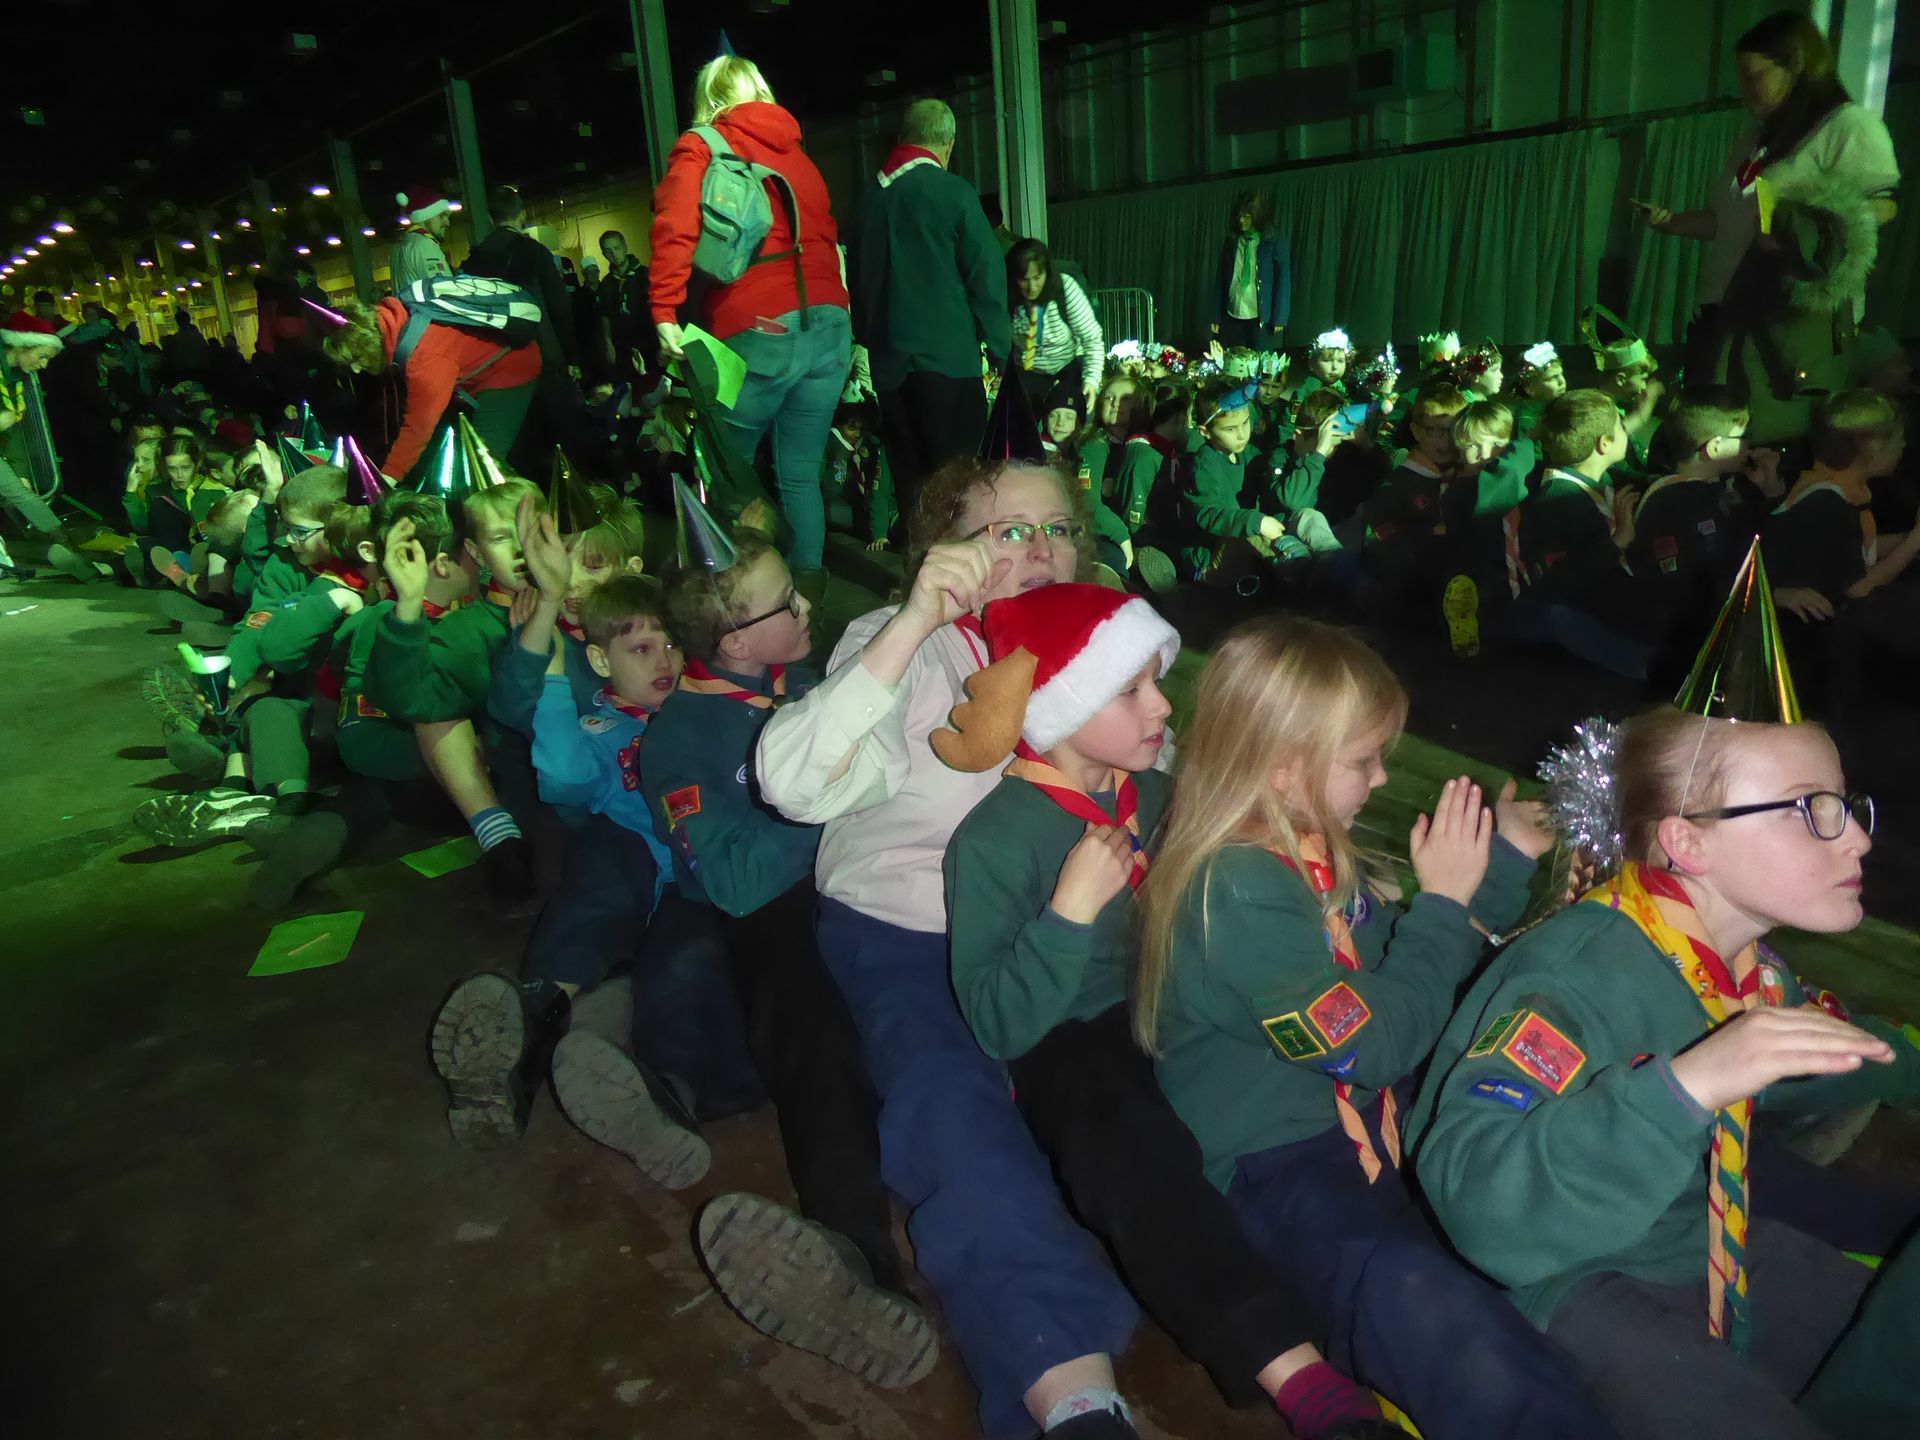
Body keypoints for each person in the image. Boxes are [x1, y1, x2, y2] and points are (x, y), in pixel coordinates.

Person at [938, 583, 1405, 1440]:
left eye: (1158, 682)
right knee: (1125, 1141)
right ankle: (1296, 1374)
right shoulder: (996, 840)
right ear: (1061, 704)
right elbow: (997, 1022)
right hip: (1076, 1037)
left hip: (1184, 1011)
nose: (1163, 704)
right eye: (1131, 690)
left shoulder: (1155, 797)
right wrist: (1066, 918)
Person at [1132, 616, 1617, 1440]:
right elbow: (1374, 1044)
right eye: (1364, 761)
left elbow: (1387, 962)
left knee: (1510, 1203)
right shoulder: (1234, 893)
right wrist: (1446, 901)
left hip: (1361, 1124)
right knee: (1410, 1293)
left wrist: (1495, 862)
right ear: (1285, 769)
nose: (1385, 777)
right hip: (1273, 1161)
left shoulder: (1304, 842)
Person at [758, 458, 1155, 1440]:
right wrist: (909, 626)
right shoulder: (903, 646)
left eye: (1054, 528)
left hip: (1073, 931)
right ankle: (1075, 1399)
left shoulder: (1105, 644)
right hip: (911, 932)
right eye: (1002, 531)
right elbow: (792, 784)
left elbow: (1171, 778)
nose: (1036, 549)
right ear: (945, 548)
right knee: (954, 1115)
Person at [1411, 706, 1920, 1440]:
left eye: (1846, 806)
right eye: (1815, 810)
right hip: (1570, 1274)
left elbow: (1808, 1050)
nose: (1861, 838)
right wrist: (1684, 1087)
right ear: (1688, 842)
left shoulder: (1738, 966)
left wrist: (1899, 1063)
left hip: (1694, 1238)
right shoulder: (1573, 975)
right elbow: (1476, 1195)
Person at [1636, 10, 1900, 432]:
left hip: (1784, 324)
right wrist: (1670, 223)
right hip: (1724, 312)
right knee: (1711, 434)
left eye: (1754, 74)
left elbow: (1881, 208)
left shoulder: (1850, 127)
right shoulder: (1757, 138)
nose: (1744, 88)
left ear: (1795, 66)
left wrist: (1801, 235)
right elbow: (1729, 222)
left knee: (1763, 436)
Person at [649, 53, 853, 589]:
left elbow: (675, 229)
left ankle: (726, 596)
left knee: (723, 469)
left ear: (711, 101)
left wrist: (664, 312)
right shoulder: (801, 157)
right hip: (831, 328)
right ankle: (806, 598)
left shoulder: (703, 146)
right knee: (800, 474)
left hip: (760, 329)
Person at [847, 98, 1011, 528]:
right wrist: (1000, 348)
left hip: (890, 369)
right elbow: (986, 275)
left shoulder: (866, 203)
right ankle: (964, 575)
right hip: (947, 365)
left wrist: (869, 339)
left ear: (902, 138)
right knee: (958, 481)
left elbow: (858, 285)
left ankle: (921, 572)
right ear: (949, 144)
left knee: (911, 480)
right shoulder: (953, 193)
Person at [318, 297, 543, 485]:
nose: (356, 370)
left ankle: (517, 520)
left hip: (511, 368)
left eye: (357, 359)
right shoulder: (400, 317)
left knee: (485, 462)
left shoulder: (424, 358)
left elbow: (418, 427)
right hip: (488, 365)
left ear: (369, 342)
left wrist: (386, 480)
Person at [1514, 389, 1652, 678]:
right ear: (1604, 443)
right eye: (1621, 427)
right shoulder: (1556, 502)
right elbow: (1559, 583)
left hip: (1619, 628)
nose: (1626, 432)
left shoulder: (1604, 483)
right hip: (1592, 648)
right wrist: (1618, 541)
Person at [0, 319, 93, 582]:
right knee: (19, 496)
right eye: (42, 357)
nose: (44, 365)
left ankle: (64, 545)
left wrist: (19, 469)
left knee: (20, 494)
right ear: (22, 346)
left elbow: (13, 432)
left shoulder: (15, 377)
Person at [1007, 238, 1104, 419]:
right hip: (1027, 371)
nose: (1032, 287)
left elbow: (1092, 338)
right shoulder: (1009, 296)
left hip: (1066, 366)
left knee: (1069, 421)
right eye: (1024, 280)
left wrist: (1091, 380)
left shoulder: (1064, 289)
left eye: (1037, 277)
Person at [1212, 192, 1290, 351]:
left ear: (1257, 215)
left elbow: (1283, 279)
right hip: (1233, 313)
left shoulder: (1271, 240)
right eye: (1239, 216)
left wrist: (1280, 317)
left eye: (1247, 216)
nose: (1241, 220)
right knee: (1234, 363)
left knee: (1259, 364)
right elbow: (1221, 280)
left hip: (1260, 315)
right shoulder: (1233, 240)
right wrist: (1215, 316)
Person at [595, 231, 651, 385]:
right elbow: (605, 315)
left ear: (625, 247)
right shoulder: (606, 284)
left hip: (649, 343)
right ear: (604, 254)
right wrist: (609, 344)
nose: (614, 254)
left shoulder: (645, 275)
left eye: (617, 248)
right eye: (608, 251)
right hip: (622, 348)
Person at [391, 187, 456, 293]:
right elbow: (444, 291)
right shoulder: (424, 244)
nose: (447, 223)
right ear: (425, 216)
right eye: (441, 216)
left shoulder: (401, 244)